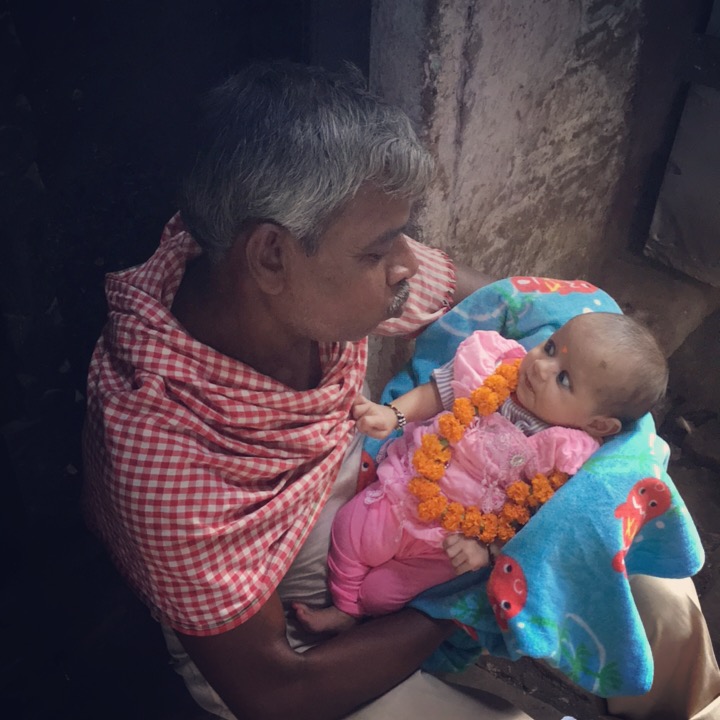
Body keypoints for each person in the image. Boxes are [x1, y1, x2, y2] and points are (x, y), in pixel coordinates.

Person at [81, 61, 720, 720]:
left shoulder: (301, 275)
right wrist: (470, 594)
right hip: (288, 628)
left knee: (653, 586)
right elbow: (277, 692)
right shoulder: (163, 454)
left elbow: (504, 306)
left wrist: (602, 389)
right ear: (271, 257)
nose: (409, 264)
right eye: (378, 250)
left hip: (393, 493)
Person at [294, 312, 670, 634]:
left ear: (598, 424)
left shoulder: (567, 454)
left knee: (379, 594)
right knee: (348, 526)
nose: (540, 367)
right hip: (406, 491)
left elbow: (535, 522)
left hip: (453, 543)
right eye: (551, 347)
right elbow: (436, 394)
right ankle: (345, 607)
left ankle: (363, 609)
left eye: (564, 380)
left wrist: (485, 550)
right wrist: (393, 415)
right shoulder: (491, 369)